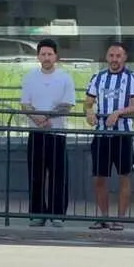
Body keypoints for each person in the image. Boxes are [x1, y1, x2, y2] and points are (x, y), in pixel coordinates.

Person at [84, 42, 134, 231]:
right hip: (101, 135)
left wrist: (118, 113)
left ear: (124, 58)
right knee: (100, 178)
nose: (115, 59)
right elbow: (88, 102)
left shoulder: (132, 78)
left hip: (122, 135)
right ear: (107, 57)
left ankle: (121, 219)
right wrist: (89, 112)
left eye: (118, 56)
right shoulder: (98, 78)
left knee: (124, 177)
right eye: (111, 55)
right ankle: (103, 217)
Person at [20, 38, 76, 227]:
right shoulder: (30, 77)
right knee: (36, 175)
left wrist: (48, 119)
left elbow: (67, 105)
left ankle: (57, 213)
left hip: (57, 133)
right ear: (38, 56)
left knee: (58, 175)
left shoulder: (65, 78)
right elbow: (25, 104)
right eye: (42, 54)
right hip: (36, 133)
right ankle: (37, 213)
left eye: (49, 54)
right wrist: (37, 119)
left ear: (56, 56)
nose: (46, 57)